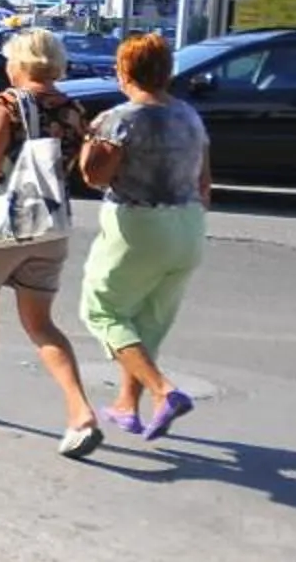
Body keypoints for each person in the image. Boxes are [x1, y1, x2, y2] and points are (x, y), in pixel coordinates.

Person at [0, 28, 104, 457]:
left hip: (1, 226)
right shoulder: (75, 109)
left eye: (10, 59)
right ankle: (80, 412)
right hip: (50, 226)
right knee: (41, 323)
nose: (6, 67)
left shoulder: (5, 104)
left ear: (22, 63)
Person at [76, 31, 212, 437]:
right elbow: (205, 181)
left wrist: (89, 138)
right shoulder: (189, 115)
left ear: (124, 71)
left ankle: (162, 391)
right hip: (188, 225)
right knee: (148, 323)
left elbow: (94, 176)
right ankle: (125, 405)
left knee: (102, 311)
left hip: (139, 225)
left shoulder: (121, 119)